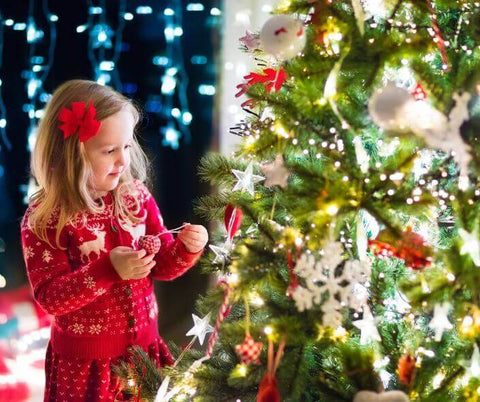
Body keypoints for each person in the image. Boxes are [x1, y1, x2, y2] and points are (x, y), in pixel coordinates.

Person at [20, 79, 209, 401]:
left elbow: (161, 265)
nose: (123, 161)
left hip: (144, 355)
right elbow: (51, 297)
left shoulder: (135, 196)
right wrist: (108, 269)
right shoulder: (47, 218)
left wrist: (186, 249)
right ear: (70, 156)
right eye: (109, 151)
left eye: (126, 146)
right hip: (86, 367)